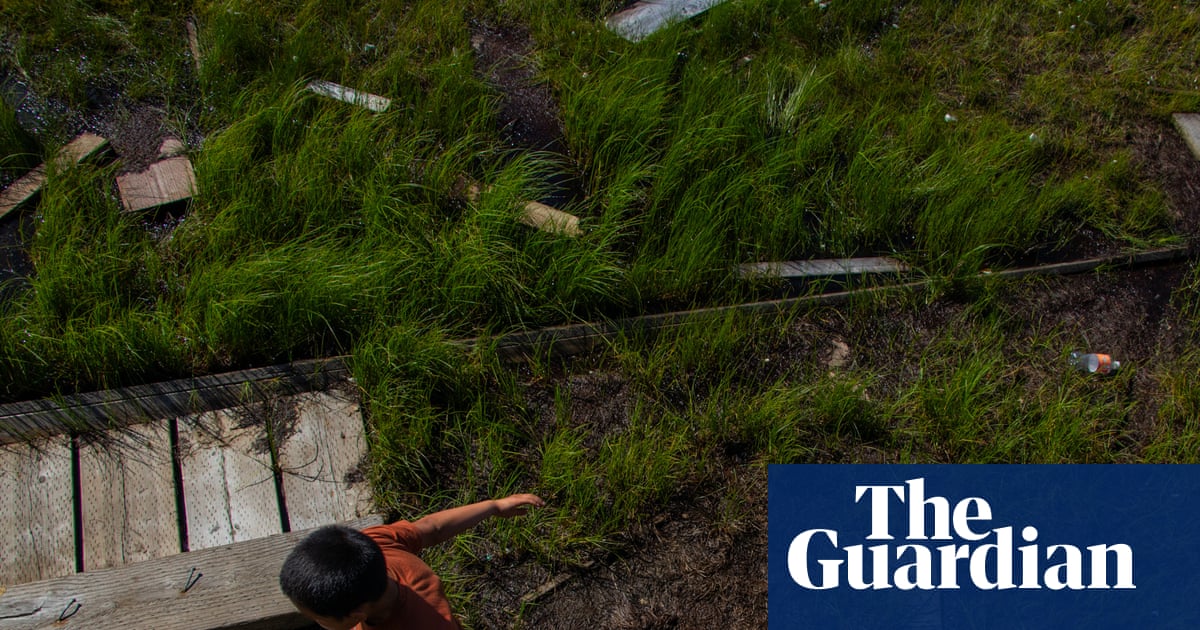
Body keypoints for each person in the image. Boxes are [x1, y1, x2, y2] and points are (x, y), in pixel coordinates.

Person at [279, 493, 545, 630]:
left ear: (356, 616)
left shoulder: (428, 625)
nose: (316, 623)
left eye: (319, 620)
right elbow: (432, 528)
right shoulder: (374, 547)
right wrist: (494, 506)